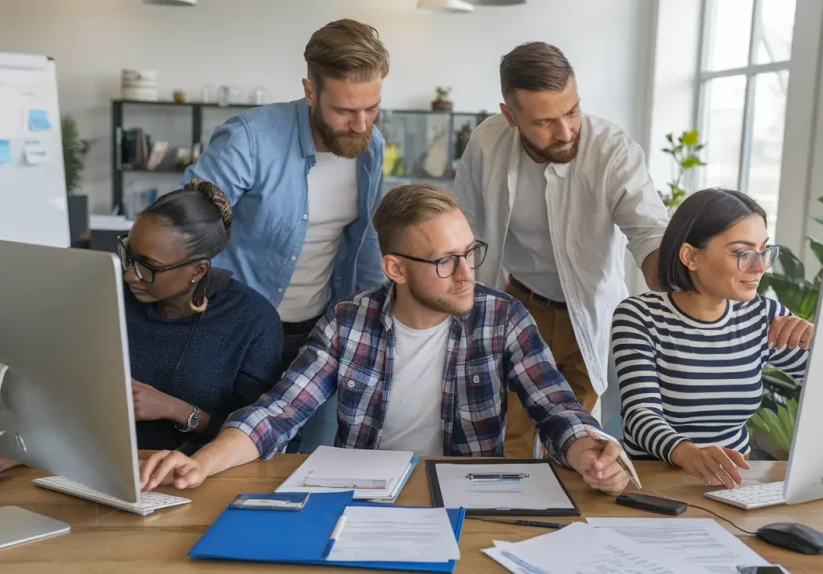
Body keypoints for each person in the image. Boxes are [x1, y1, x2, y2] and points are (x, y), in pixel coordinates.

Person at [138, 184, 630, 496]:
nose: (466, 274)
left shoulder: (502, 317)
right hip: (365, 494)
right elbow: (278, 412)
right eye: (445, 261)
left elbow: (556, 407)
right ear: (395, 268)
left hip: (467, 496)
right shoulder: (348, 320)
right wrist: (200, 463)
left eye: (469, 253)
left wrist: (591, 454)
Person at [0, 180, 283, 488]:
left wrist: (175, 409)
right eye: (128, 254)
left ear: (197, 269)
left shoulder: (251, 322)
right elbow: (57, 397)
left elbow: (265, 436)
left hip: (201, 482)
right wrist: (8, 454)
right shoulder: (106, 298)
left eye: (148, 268)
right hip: (92, 475)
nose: (129, 275)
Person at [452, 42, 669, 457]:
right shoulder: (486, 143)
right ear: (510, 115)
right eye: (545, 121)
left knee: (578, 443)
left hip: (588, 313)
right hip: (517, 307)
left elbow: (649, 231)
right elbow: (464, 228)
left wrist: (673, 282)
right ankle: (503, 520)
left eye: (572, 112)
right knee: (507, 436)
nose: (566, 131)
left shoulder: (613, 150)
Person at [178, 19, 390, 380]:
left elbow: (367, 240)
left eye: (371, 108)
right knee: (230, 433)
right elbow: (182, 229)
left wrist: (371, 323)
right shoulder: (250, 140)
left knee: (313, 437)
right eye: (345, 111)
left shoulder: (372, 150)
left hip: (319, 331)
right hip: (233, 330)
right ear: (310, 91)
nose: (361, 125)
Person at [612, 188, 812, 490]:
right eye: (742, 253)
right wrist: (687, 453)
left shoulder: (763, 315)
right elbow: (640, 415)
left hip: (737, 482)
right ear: (690, 256)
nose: (759, 267)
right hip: (656, 482)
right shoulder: (639, 316)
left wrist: (818, 343)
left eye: (763, 251)